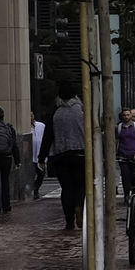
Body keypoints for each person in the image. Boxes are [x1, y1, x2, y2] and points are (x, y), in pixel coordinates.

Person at [46, 93, 87, 230]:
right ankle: (79, 205)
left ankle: (69, 221)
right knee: (81, 185)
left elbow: (48, 136)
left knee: (67, 188)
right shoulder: (82, 111)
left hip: (61, 155)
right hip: (81, 153)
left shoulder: (55, 113)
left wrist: (42, 157)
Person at [28, 111, 47, 199]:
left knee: (41, 174)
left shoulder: (41, 126)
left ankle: (36, 188)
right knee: (31, 175)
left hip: (39, 155)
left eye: (31, 115)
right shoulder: (26, 128)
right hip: (30, 156)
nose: (30, 117)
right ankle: (33, 190)